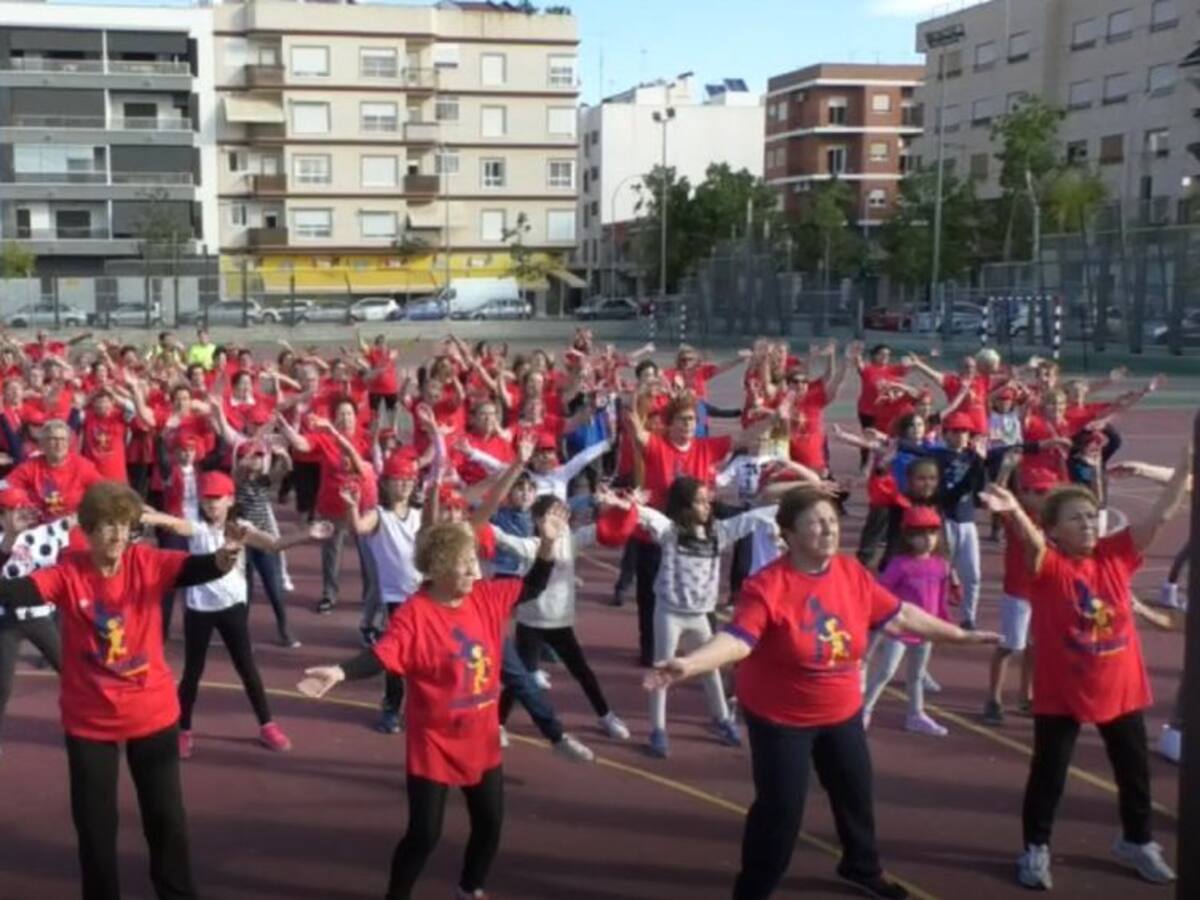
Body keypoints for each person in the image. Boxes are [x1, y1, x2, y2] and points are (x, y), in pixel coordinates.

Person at [646, 485, 999, 900]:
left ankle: (861, 867)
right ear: (789, 533)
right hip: (781, 719)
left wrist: (958, 635)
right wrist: (690, 663)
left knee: (855, 793)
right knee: (780, 813)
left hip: (841, 712)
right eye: (815, 522)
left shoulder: (851, 573)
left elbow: (898, 615)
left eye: (832, 521)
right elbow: (740, 640)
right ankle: (753, 890)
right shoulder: (768, 585)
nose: (828, 529)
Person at [298, 511, 566, 900]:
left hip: (481, 736)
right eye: (465, 567)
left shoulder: (485, 597)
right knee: (424, 834)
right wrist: (340, 672)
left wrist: (547, 544)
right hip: (434, 742)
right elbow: (383, 655)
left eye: (475, 563)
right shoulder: (415, 615)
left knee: (490, 823)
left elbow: (533, 586)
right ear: (438, 569)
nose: (476, 573)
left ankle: (470, 886)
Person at [0, 480, 243, 900]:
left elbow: (198, 568)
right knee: (95, 827)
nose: (116, 535)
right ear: (89, 530)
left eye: (124, 526)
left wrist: (225, 555)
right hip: (89, 720)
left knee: (165, 818)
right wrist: (7, 546)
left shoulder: (147, 563)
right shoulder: (68, 571)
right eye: (106, 526)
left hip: (151, 713)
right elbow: (17, 590)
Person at [979, 444, 1191, 890]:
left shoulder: (1116, 554)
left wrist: (1187, 461)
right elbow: (1031, 541)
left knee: (1133, 771)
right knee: (1049, 773)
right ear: (1054, 529)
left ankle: (1137, 840)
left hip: (1122, 686)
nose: (1088, 523)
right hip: (1062, 691)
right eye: (1076, 518)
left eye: (1092, 516)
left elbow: (1162, 512)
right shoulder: (1049, 566)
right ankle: (1036, 849)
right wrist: (1015, 508)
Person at [143, 471, 331, 758]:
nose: (211, 505)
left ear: (229, 500)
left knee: (247, 668)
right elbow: (173, 523)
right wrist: (147, 515)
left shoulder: (240, 528)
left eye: (217, 499)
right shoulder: (198, 527)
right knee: (193, 672)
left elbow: (273, 544)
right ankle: (184, 730)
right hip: (199, 610)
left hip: (233, 608)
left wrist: (309, 533)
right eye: (207, 500)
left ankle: (267, 724)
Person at [633, 477, 781, 758]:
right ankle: (658, 730)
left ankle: (721, 718)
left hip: (700, 615)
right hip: (669, 613)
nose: (707, 506)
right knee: (663, 671)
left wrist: (793, 506)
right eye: (700, 502)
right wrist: (628, 503)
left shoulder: (719, 533)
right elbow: (648, 516)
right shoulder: (671, 532)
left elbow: (754, 517)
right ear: (685, 506)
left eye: (708, 501)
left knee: (710, 668)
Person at [862, 505, 951, 736]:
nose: (928, 539)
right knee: (885, 672)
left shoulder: (940, 564)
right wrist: (880, 622)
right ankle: (864, 710)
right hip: (899, 627)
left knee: (917, 675)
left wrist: (942, 623)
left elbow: (941, 597)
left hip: (925, 628)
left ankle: (916, 714)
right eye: (921, 534)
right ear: (909, 536)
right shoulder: (900, 564)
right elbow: (882, 593)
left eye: (932, 533)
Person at [0, 486, 70, 755]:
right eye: (14, 508)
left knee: (71, 671)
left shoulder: (46, 532)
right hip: (6, 621)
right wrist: (11, 536)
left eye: (23, 507)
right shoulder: (5, 539)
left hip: (40, 616)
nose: (22, 512)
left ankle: (84, 725)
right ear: (3, 513)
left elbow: (83, 517)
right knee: (3, 685)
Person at [4, 418, 103, 523]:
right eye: (53, 439)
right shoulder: (31, 466)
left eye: (63, 439)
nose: (59, 444)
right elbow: (5, 485)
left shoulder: (82, 466)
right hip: (39, 526)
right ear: (43, 444)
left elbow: (103, 491)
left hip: (72, 526)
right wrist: (22, 503)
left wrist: (84, 514)